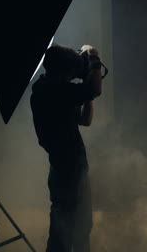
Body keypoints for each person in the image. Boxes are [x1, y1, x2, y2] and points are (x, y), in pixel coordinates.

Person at [30, 43, 102, 252]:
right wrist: (94, 59)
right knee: (69, 229)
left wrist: (86, 94)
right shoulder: (55, 90)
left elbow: (85, 120)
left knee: (72, 224)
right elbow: (95, 90)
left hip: (63, 166)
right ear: (64, 71)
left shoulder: (45, 87)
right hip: (69, 166)